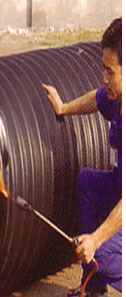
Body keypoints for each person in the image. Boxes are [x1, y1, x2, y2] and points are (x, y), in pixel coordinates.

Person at [43, 17, 121, 297]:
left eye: (110, 72)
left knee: (102, 253)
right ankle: (94, 286)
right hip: (119, 183)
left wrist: (96, 240)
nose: (104, 78)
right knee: (87, 181)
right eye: (104, 69)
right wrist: (63, 108)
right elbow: (95, 99)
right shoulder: (117, 98)